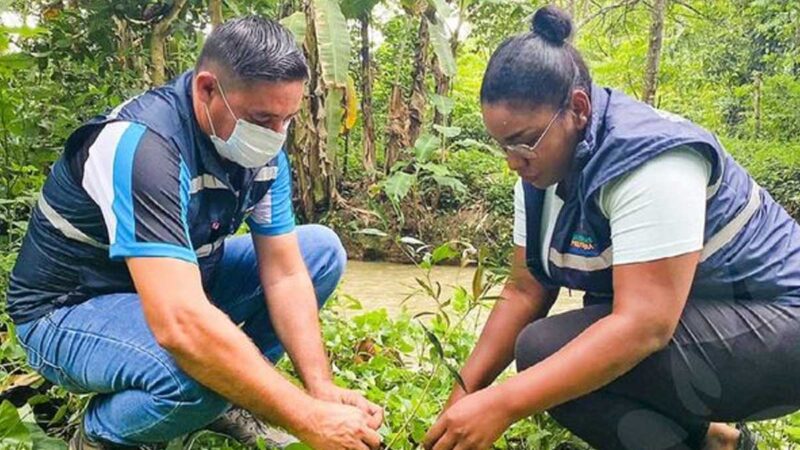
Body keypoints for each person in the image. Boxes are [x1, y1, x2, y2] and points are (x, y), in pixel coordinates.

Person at [423, 5, 800, 450]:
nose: (511, 160)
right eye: (502, 144)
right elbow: (524, 291)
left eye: (523, 141)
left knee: (547, 356)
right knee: (545, 352)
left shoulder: (650, 159)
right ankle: (716, 442)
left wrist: (502, 404)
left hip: (781, 326)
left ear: (578, 109)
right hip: (710, 316)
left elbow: (646, 325)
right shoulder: (541, 170)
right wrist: (460, 401)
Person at [7, 16, 383, 450]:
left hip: (175, 287)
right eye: (263, 118)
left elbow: (285, 274)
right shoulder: (144, 147)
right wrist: (307, 420)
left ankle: (231, 401)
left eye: (288, 119)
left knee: (320, 252)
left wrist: (322, 391)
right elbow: (179, 324)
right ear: (207, 89)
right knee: (199, 368)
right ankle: (103, 432)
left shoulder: (263, 152)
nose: (276, 135)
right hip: (70, 308)